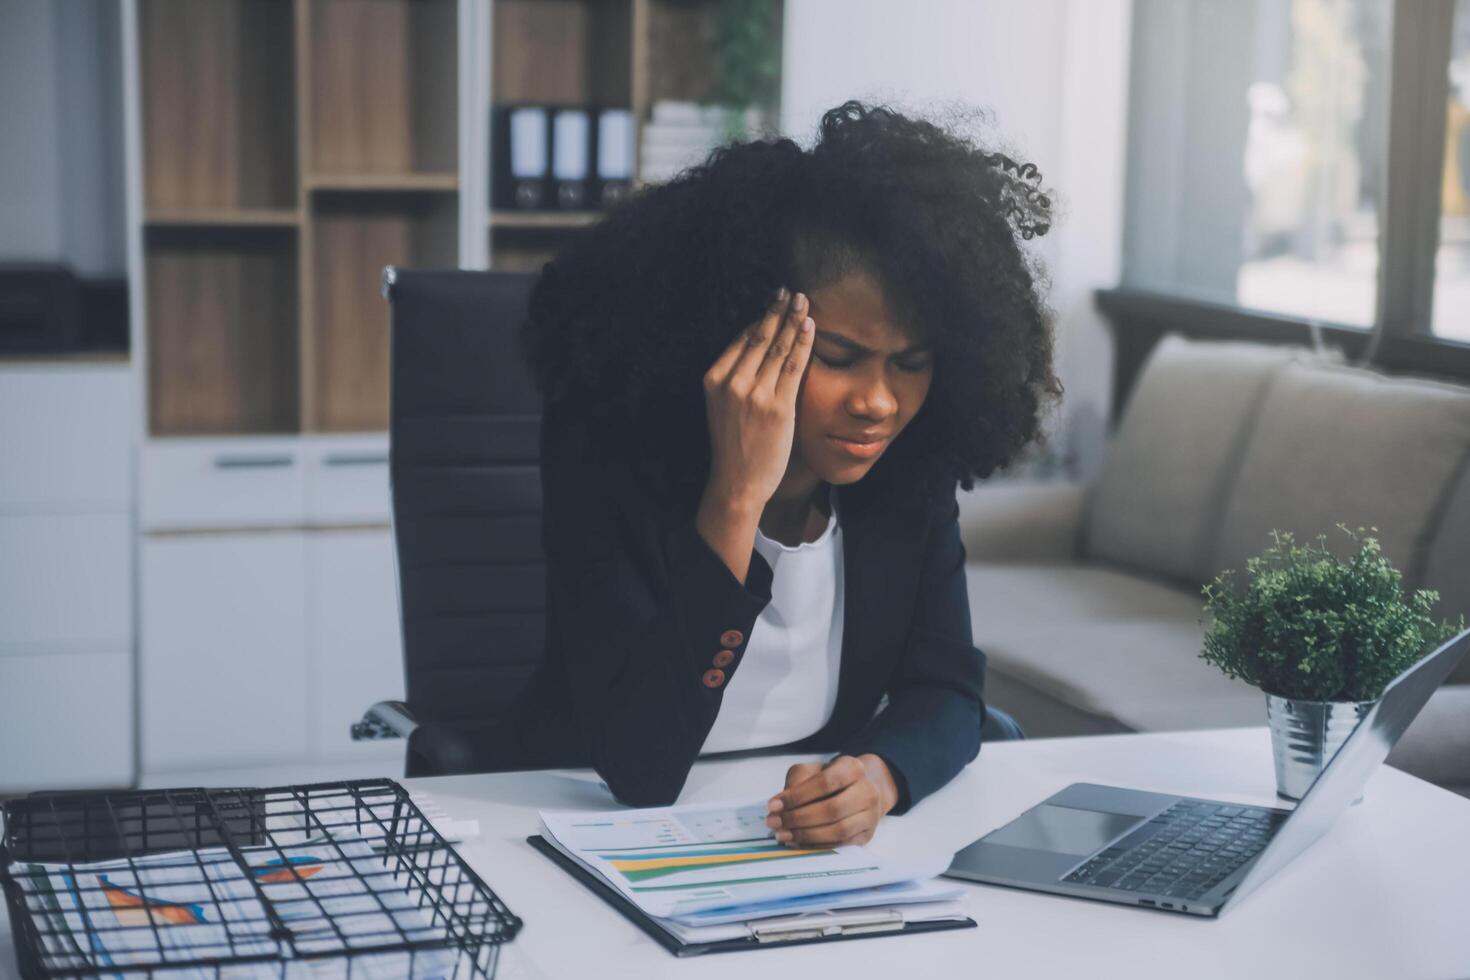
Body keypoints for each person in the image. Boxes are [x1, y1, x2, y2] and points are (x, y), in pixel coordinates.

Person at [503, 100, 1059, 846]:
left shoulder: (906, 471)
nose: (878, 402)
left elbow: (948, 688)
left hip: (798, 858)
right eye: (837, 358)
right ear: (739, 331)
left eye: (911, 363)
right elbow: (639, 770)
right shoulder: (609, 458)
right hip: (582, 835)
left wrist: (880, 774)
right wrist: (734, 498)